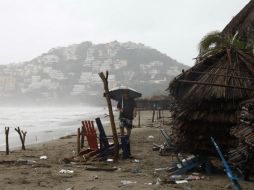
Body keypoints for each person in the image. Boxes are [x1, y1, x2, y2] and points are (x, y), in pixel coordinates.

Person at [117, 91, 137, 158]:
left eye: (126, 93)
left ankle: (128, 138)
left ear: (128, 94)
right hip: (122, 116)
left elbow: (135, 107)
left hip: (129, 116)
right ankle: (123, 137)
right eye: (124, 93)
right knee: (121, 127)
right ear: (123, 93)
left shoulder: (131, 99)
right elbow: (118, 107)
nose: (125, 94)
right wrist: (120, 110)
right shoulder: (121, 99)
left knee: (128, 128)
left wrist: (134, 113)